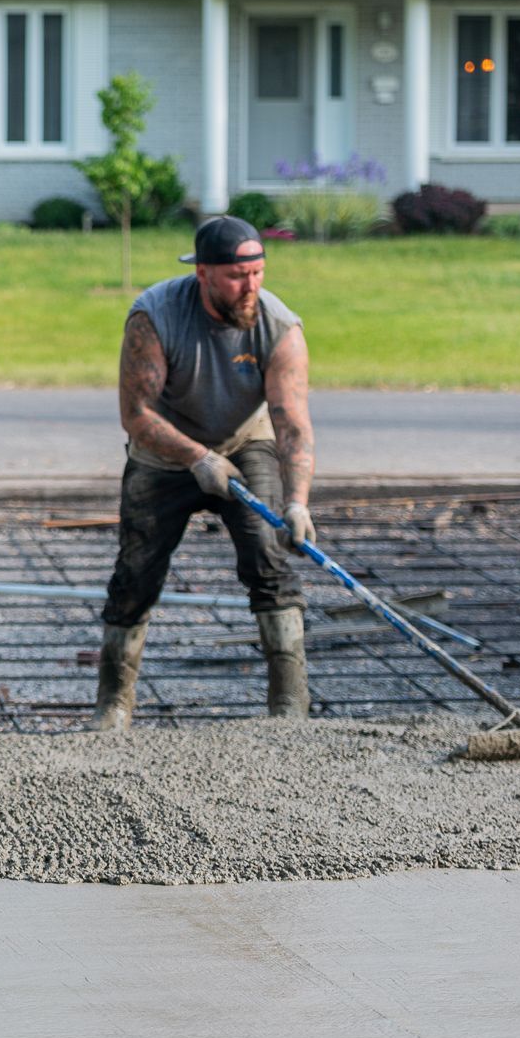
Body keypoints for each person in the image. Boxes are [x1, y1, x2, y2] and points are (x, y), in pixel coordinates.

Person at [95, 215, 316, 728]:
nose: (251, 287)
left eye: (258, 273)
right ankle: (114, 704)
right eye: (239, 277)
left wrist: (298, 501)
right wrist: (197, 458)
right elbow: (136, 415)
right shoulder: (155, 316)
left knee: (268, 556)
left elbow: (293, 426)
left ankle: (289, 706)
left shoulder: (279, 326)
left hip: (245, 442)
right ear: (204, 274)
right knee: (136, 572)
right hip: (164, 452)